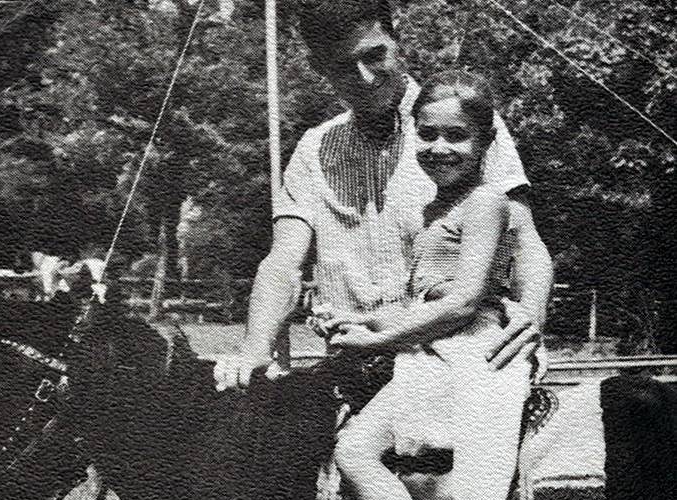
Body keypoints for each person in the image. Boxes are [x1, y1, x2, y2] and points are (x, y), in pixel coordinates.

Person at [214, 0, 551, 392]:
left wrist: (532, 318)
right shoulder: (313, 150)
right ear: (319, 68)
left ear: (397, 41)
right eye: (343, 66)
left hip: (452, 364)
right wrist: (255, 349)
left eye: (375, 56)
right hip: (354, 368)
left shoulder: (458, 124)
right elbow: (283, 263)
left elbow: (525, 244)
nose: (365, 77)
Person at [326, 70, 535, 500]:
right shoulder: (432, 208)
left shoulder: (486, 201)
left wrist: (378, 342)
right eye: (427, 134)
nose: (440, 148)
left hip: (470, 349)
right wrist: (361, 319)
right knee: (354, 450)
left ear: (486, 141)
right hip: (435, 347)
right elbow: (425, 300)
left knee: (466, 454)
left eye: (456, 135)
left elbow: (464, 302)